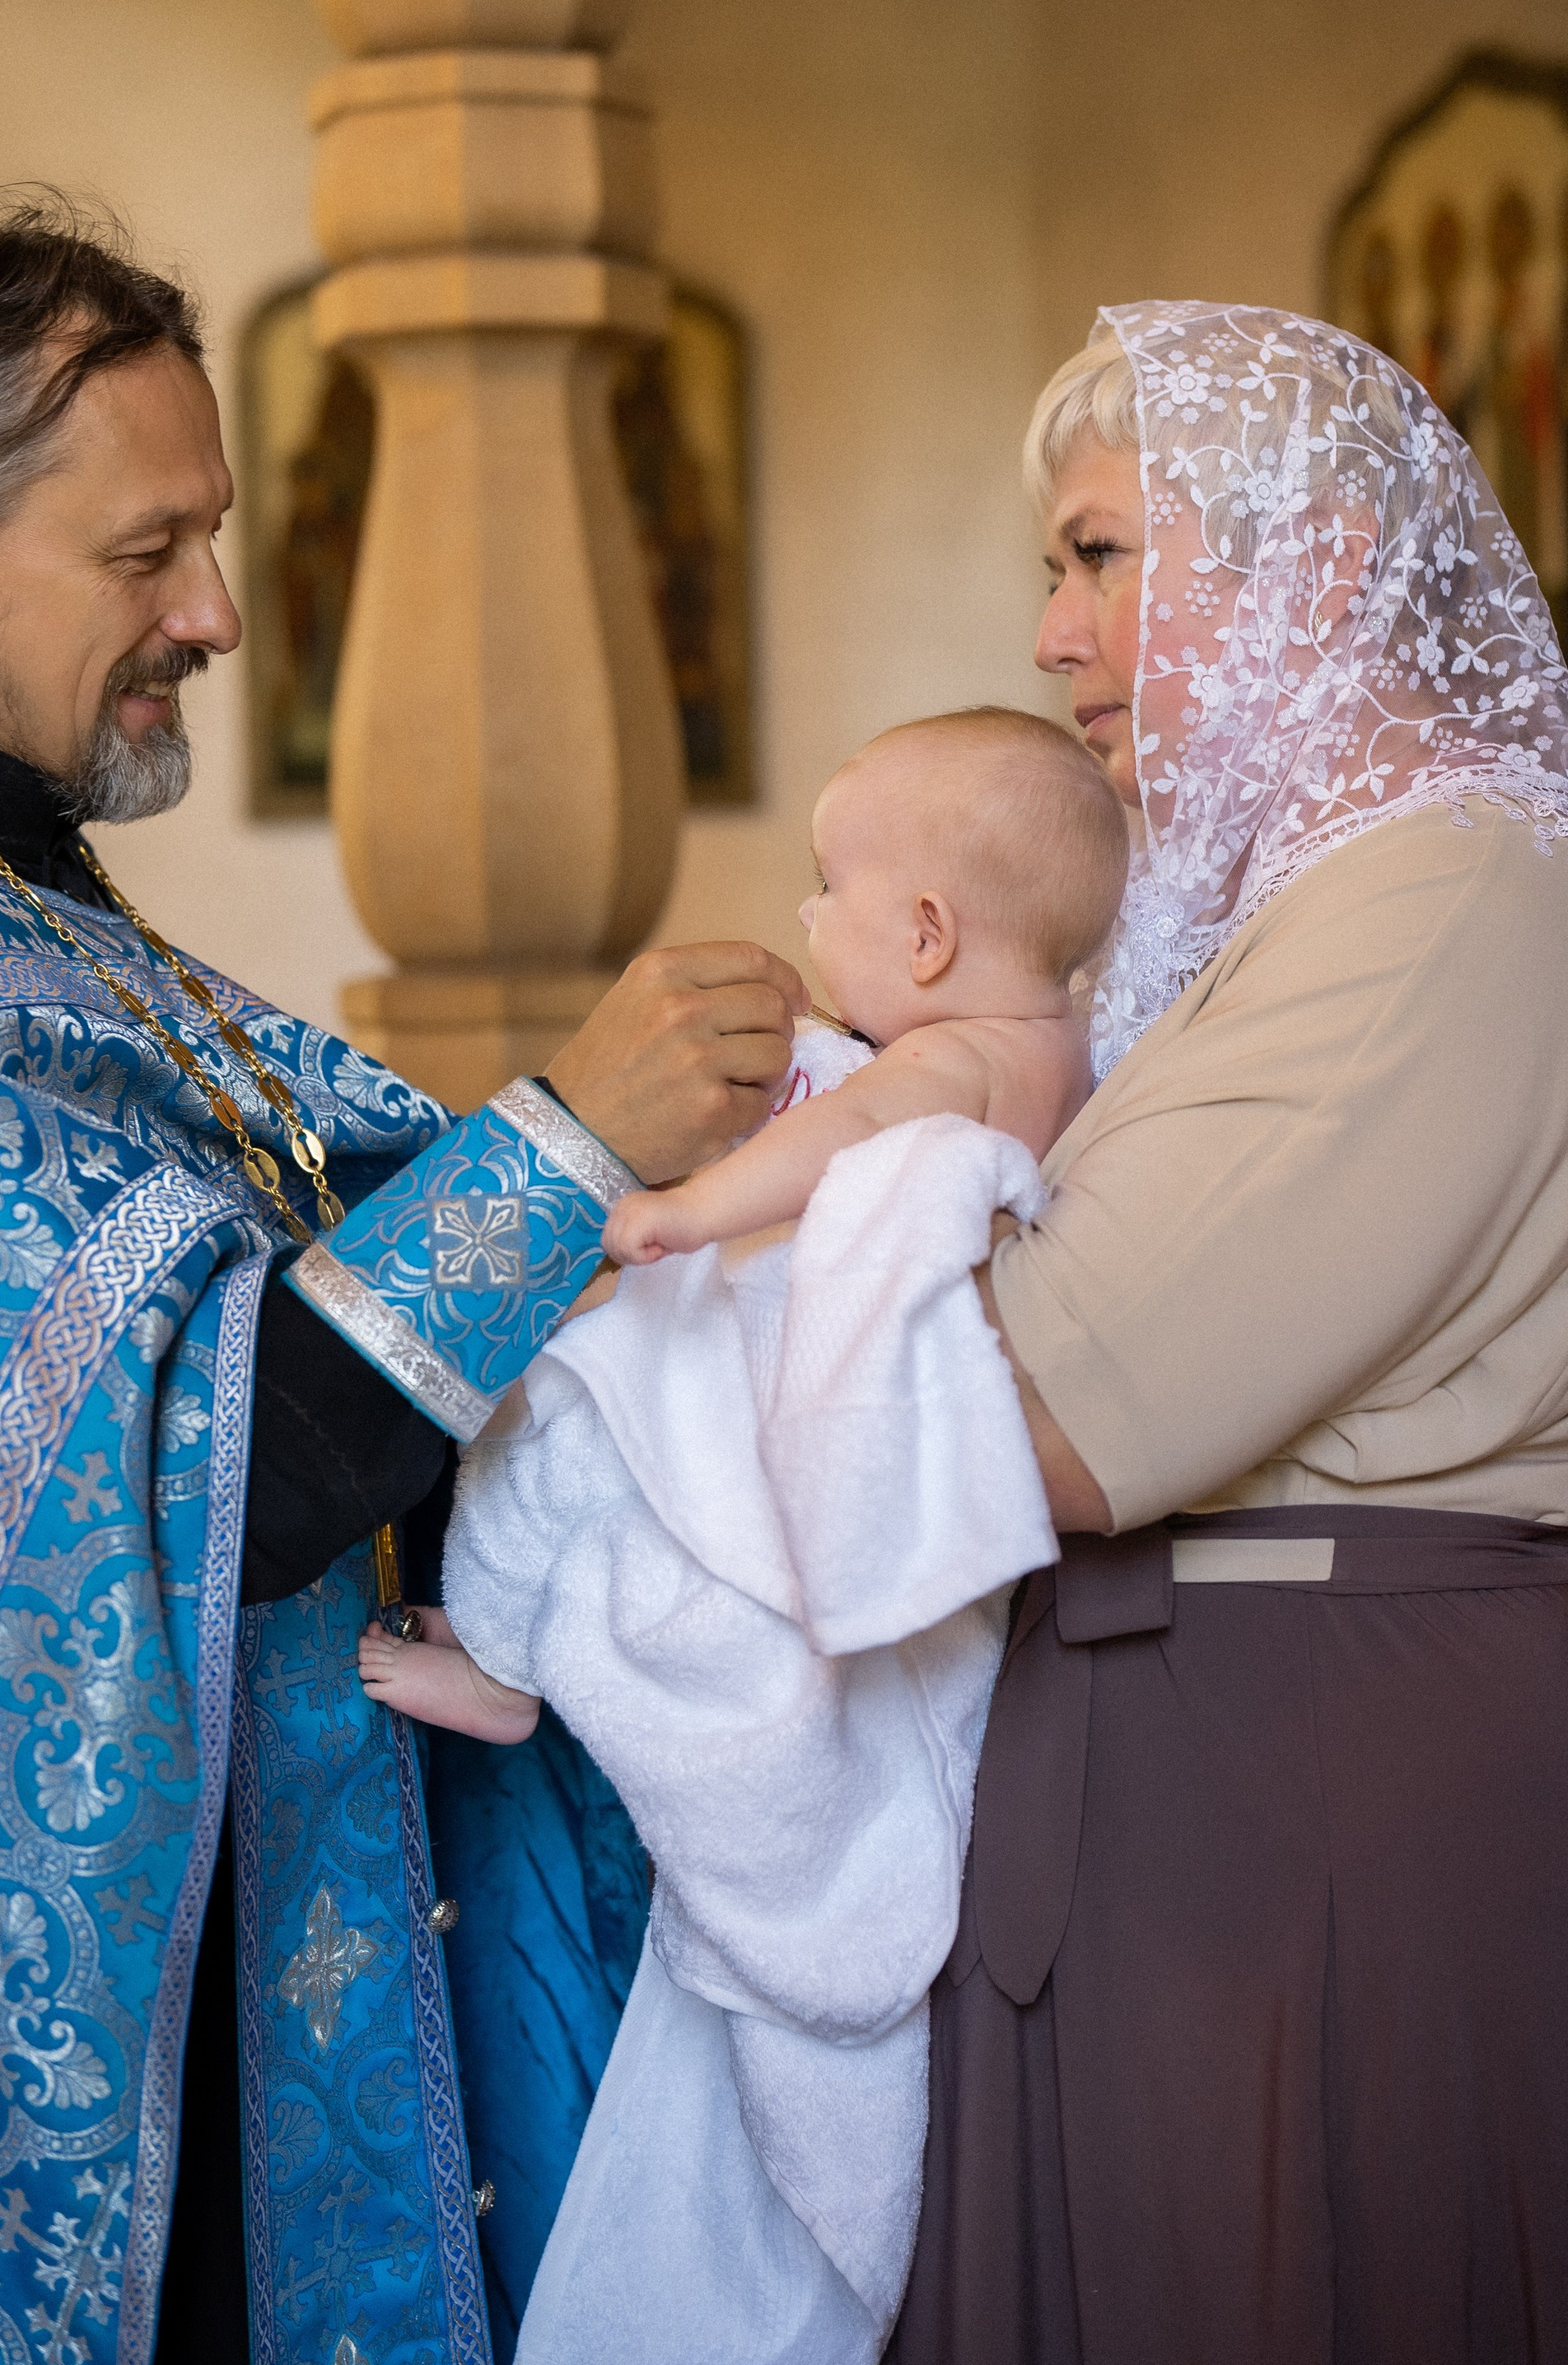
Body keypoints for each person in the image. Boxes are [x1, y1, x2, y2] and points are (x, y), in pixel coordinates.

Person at [0, 204, 798, 2365]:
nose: (210, 612)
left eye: (209, 539)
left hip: (240, 1937)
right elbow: (207, 1464)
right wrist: (565, 1142)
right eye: (148, 551)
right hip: (26, 2042)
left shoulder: (11, 899)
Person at [856, 301, 1568, 2365]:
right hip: (1218, 1823)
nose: (1051, 632)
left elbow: (1031, 1410)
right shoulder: (1281, 909)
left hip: (1351, 1850)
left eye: (1099, 553)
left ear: (1324, 558)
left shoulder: (1456, 889)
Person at [357, 706, 1120, 1747]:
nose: (807, 911)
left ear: (927, 937)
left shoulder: (948, 1060)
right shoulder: (1066, 1052)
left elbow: (844, 1133)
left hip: (780, 1366)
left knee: (558, 1421)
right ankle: (508, 1636)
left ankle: (504, 1668)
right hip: (931, 1385)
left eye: (827, 886)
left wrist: (684, 1209)